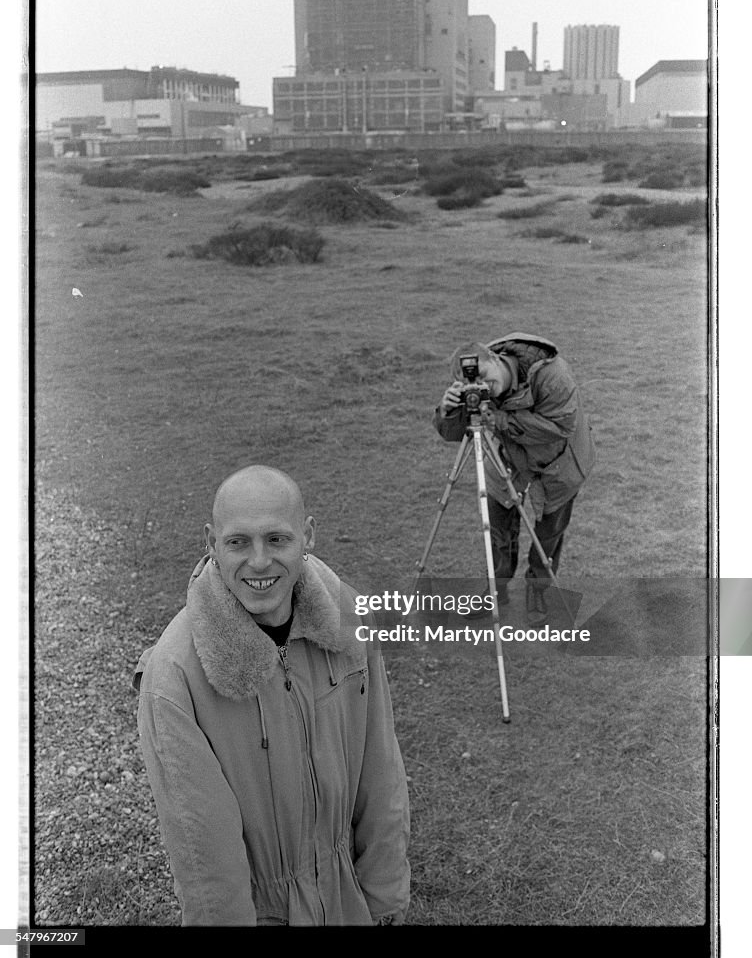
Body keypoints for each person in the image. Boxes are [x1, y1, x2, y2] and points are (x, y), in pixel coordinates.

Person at [133, 465, 410, 926]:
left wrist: (385, 895)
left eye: (277, 540)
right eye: (238, 542)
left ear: (308, 536)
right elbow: (207, 861)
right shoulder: (174, 678)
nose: (259, 561)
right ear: (210, 543)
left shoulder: (349, 622)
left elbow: (381, 775)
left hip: (351, 902)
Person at [434, 333, 595, 620]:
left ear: (495, 359)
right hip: (504, 464)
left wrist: (499, 420)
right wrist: (447, 412)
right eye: (470, 383)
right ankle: (495, 591)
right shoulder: (475, 388)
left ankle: (538, 591)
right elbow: (456, 433)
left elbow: (561, 425)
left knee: (548, 534)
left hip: (558, 467)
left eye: (483, 376)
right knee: (498, 532)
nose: (481, 387)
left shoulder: (551, 375)